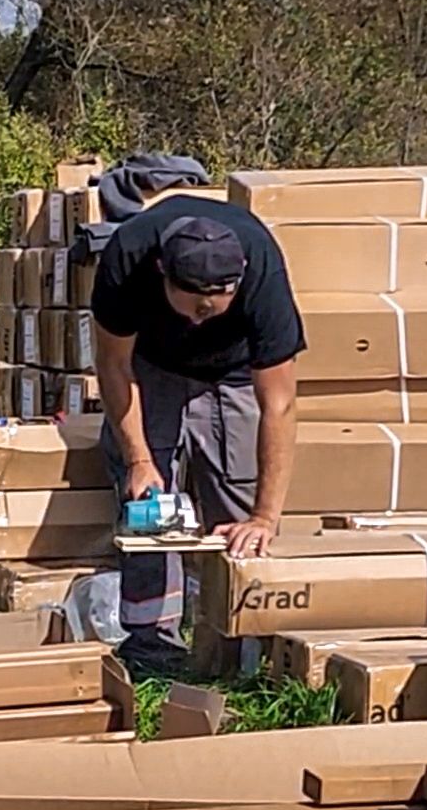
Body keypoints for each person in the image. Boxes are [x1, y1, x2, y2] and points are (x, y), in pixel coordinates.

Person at [90, 194, 305, 675]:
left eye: (211, 311)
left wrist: (265, 517)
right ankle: (150, 645)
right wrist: (140, 459)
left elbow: (279, 403)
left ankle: (247, 648)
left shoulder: (264, 273)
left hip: (232, 371)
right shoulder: (128, 257)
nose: (197, 319)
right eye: (189, 308)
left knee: (241, 503)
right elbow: (113, 363)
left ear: (239, 278)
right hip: (148, 366)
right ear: (163, 270)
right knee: (147, 509)